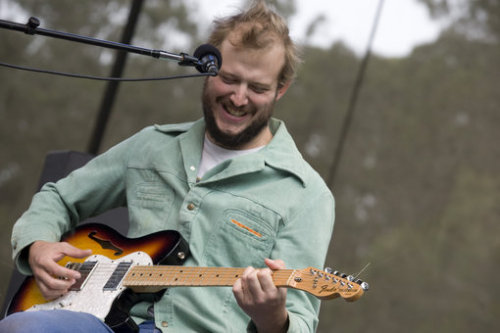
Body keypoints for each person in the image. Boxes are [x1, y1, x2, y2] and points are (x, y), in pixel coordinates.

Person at [0, 1, 334, 332]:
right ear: (207, 67)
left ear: (281, 89)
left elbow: (300, 322)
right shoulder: (152, 145)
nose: (239, 97)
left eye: (257, 88)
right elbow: (58, 197)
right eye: (229, 79)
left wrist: (272, 318)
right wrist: (38, 245)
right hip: (102, 323)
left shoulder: (307, 194)